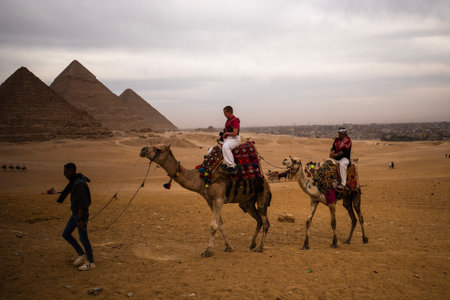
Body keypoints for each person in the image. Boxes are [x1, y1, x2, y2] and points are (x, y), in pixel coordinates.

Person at [57, 163, 95, 271]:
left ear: (72, 171)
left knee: (83, 238)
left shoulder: (79, 184)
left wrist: (79, 219)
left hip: (80, 214)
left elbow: (82, 204)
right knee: (66, 234)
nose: (64, 174)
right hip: (75, 214)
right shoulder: (74, 182)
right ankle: (81, 254)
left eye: (66, 171)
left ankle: (91, 262)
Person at [221, 106, 241, 174]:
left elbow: (235, 133)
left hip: (235, 139)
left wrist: (226, 133)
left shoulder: (235, 120)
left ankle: (232, 166)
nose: (224, 115)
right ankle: (227, 164)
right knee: (219, 146)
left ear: (229, 112)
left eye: (225, 113)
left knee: (225, 147)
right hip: (229, 138)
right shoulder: (228, 121)